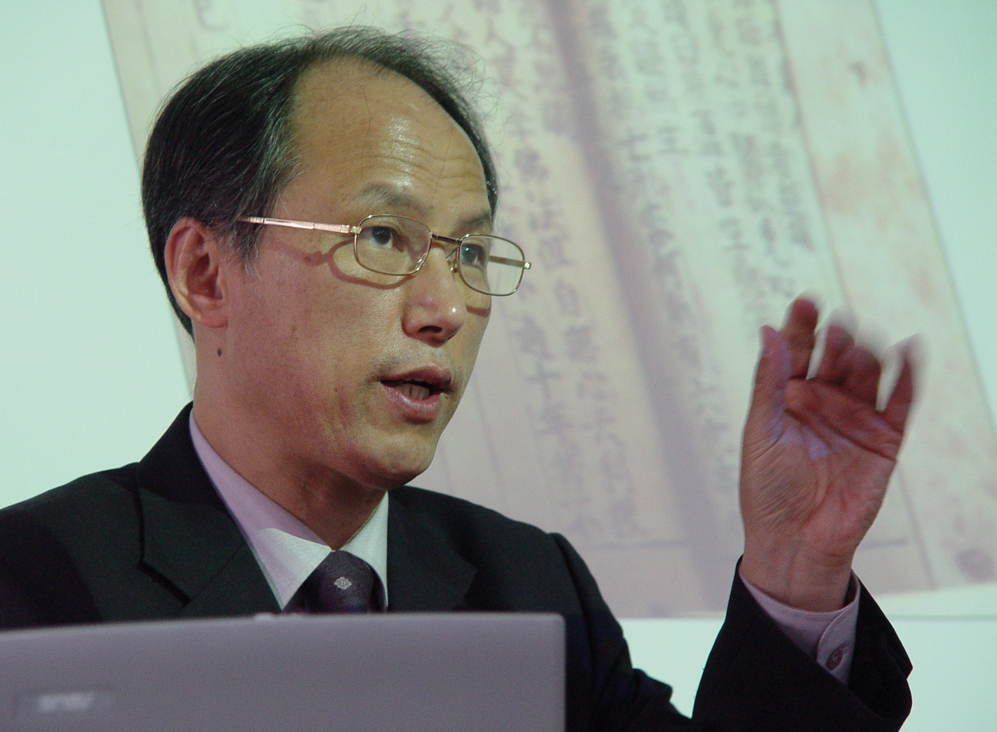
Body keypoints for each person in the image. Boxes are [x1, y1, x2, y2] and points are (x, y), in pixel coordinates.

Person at [0, 27, 914, 731]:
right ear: (205, 273)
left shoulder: (529, 585)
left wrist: (794, 572)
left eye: (471, 252)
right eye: (382, 237)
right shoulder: (37, 585)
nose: (444, 308)